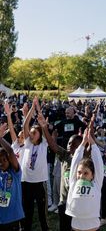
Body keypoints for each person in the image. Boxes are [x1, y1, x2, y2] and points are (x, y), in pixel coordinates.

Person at [65, 128, 104, 231]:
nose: (81, 176)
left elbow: (99, 163)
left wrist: (92, 143)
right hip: (76, 225)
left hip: (92, 226)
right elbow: (75, 162)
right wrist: (82, 144)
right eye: (79, 172)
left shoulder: (96, 183)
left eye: (86, 173)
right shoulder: (74, 182)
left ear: (92, 175)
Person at [20, 97, 49, 231]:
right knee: (28, 210)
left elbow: (43, 125)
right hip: (26, 182)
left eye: (34, 133)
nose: (30, 135)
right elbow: (25, 125)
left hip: (39, 182)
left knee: (42, 212)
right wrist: (32, 107)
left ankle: (45, 228)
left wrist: (38, 109)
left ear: (40, 135)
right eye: (30, 133)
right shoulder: (27, 143)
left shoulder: (43, 144)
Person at [0, 124, 24, 231]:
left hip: (13, 218)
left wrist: (0, 138)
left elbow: (10, 151)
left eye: (4, 160)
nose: (1, 163)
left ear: (9, 160)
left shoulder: (15, 172)